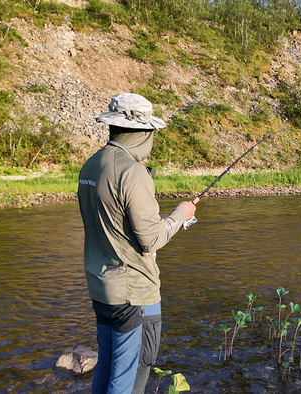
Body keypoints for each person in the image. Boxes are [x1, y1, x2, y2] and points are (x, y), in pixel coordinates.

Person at [77, 93, 196, 394]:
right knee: (131, 374)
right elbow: (151, 238)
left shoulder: (92, 165)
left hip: (101, 287)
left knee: (107, 364)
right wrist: (182, 214)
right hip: (134, 296)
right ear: (143, 133)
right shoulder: (133, 173)